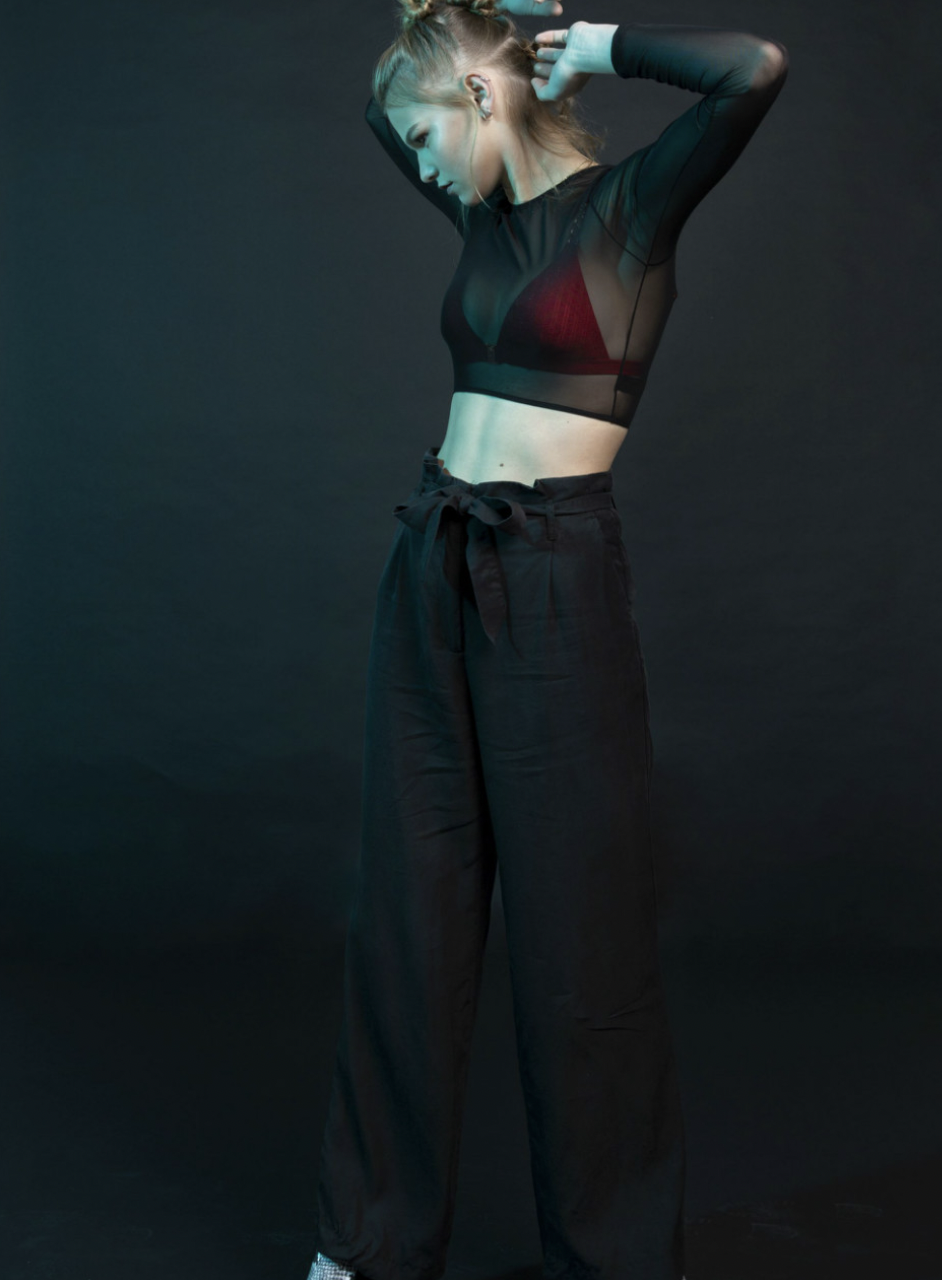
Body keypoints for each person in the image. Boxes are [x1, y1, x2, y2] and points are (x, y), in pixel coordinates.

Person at [306, 1, 788, 1278]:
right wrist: (480, 18)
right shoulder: (483, 218)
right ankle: (370, 1240)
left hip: (553, 575)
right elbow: (382, 104)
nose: (414, 165)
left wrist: (597, 42)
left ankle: (612, 1256)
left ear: (480, 100)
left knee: (583, 936)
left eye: (428, 139)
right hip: (432, 561)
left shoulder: (629, 211)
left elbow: (753, 73)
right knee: (409, 917)